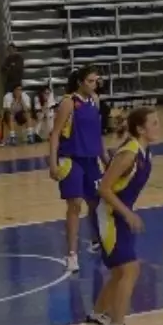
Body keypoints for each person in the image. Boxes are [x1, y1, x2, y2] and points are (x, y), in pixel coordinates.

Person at [83, 108, 158, 325]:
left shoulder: (145, 152)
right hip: (109, 216)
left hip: (119, 215)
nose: (159, 126)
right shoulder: (129, 154)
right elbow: (104, 188)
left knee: (119, 272)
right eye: (154, 123)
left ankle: (96, 317)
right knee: (130, 268)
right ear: (140, 129)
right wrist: (127, 213)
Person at [48, 66, 107, 273]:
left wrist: (105, 157)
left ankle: (95, 240)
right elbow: (55, 134)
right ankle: (72, 255)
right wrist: (52, 162)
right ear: (81, 82)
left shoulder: (95, 101)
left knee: (96, 202)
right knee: (75, 205)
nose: (94, 84)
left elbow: (97, 133)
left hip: (91, 159)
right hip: (71, 159)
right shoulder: (68, 102)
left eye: (96, 81)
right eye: (90, 81)